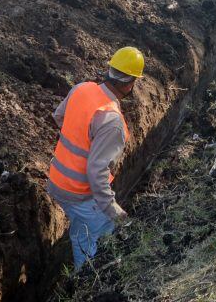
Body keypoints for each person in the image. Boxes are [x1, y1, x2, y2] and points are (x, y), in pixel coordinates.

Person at [46, 46, 145, 270]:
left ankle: (80, 255)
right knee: (99, 237)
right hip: (79, 191)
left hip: (57, 180)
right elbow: (96, 172)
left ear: (110, 71)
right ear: (130, 84)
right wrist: (112, 210)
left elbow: (59, 116)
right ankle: (88, 281)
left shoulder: (83, 88)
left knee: (82, 230)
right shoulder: (112, 122)